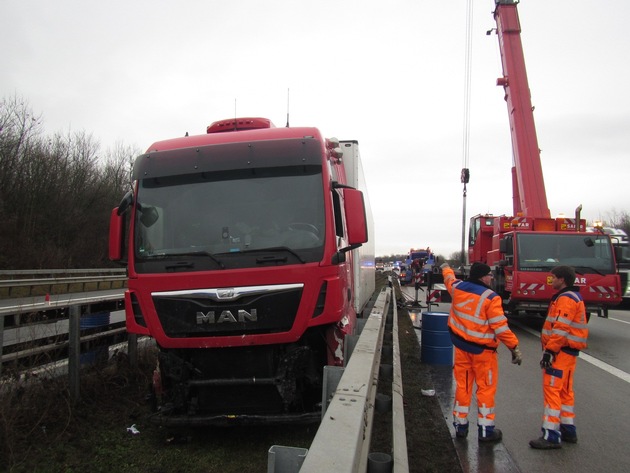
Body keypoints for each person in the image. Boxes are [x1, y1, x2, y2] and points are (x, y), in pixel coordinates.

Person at [441, 262, 522, 442]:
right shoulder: (491, 298)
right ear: (481, 277)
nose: (492, 277)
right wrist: (514, 347)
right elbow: (500, 328)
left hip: (462, 348)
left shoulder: (457, 288)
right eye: (489, 274)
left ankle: (460, 426)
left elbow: (448, 278)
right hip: (483, 353)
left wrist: (446, 267)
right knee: (485, 389)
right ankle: (486, 431)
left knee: (463, 387)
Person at [529, 265, 588, 449]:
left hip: (560, 352)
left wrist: (550, 351)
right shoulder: (573, 298)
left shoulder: (566, 300)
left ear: (562, 279)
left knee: (552, 392)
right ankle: (568, 429)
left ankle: (551, 435)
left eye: (552, 278)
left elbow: (560, 327)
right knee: (565, 392)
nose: (550, 281)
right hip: (568, 353)